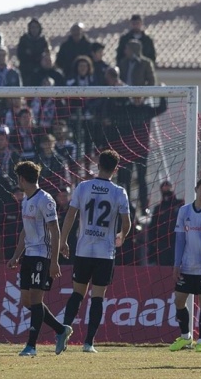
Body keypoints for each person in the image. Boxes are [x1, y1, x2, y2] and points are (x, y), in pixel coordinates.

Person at [59, 150, 131, 353]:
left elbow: (70, 216)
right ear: (116, 169)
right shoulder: (119, 192)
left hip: (83, 250)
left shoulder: (83, 187)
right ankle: (88, 343)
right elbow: (127, 222)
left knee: (77, 293)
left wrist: (64, 241)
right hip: (105, 253)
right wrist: (122, 235)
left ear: (97, 164)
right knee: (98, 297)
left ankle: (63, 331)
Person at [7, 161, 71, 356]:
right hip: (28, 256)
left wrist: (54, 261)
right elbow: (24, 233)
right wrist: (16, 256)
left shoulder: (45, 199)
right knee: (27, 301)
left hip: (42, 256)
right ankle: (61, 329)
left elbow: (54, 229)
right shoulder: (26, 201)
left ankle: (31, 346)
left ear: (22, 179)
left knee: (36, 299)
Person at [169, 177, 201, 353]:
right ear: (196, 189)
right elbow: (179, 239)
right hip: (186, 264)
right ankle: (186, 337)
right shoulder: (184, 211)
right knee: (179, 299)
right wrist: (176, 264)